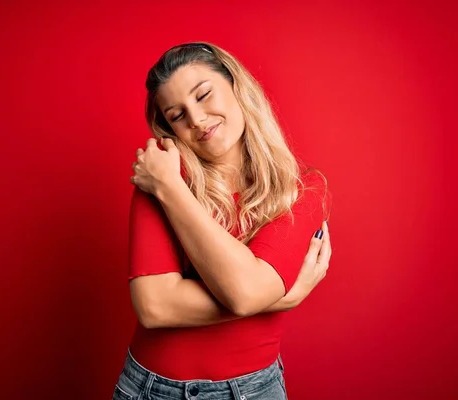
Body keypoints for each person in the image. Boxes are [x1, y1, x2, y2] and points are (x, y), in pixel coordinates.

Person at [113, 42, 332, 400]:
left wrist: (257, 292)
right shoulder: (162, 178)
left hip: (256, 390)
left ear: (236, 86)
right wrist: (280, 298)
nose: (196, 119)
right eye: (177, 115)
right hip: (153, 389)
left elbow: (245, 294)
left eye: (203, 95)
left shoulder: (303, 190)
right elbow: (154, 306)